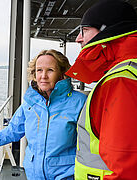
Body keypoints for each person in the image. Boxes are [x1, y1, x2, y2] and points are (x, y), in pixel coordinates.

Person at [0, 49, 87, 179]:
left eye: (50, 70)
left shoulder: (79, 102)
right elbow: (11, 131)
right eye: (39, 70)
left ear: (62, 74)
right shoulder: (30, 103)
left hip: (66, 175)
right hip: (34, 175)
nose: (43, 76)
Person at [65, 0, 137, 179]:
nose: (78, 38)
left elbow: (125, 168)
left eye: (85, 30)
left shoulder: (120, 80)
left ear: (107, 31)